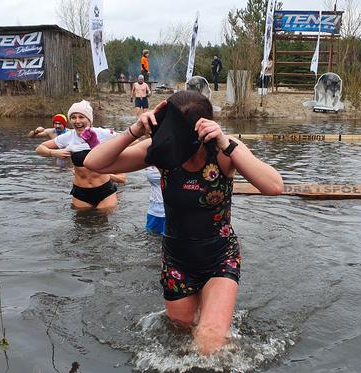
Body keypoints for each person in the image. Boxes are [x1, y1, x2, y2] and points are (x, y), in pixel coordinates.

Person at [83, 91, 283, 354]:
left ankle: (216, 323)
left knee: (209, 340)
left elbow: (275, 186)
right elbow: (94, 163)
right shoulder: (163, 152)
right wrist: (134, 131)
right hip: (177, 259)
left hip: (219, 254)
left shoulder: (223, 151)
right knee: (181, 332)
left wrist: (227, 142)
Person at [36, 100, 126, 210]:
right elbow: (40, 148)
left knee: (105, 225)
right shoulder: (68, 137)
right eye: (73, 117)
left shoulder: (102, 133)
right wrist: (53, 152)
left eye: (81, 117)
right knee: (81, 225)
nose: (77, 121)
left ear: (89, 119)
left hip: (105, 191)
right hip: (81, 192)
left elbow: (129, 138)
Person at [145, 165, 165, 235]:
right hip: (153, 211)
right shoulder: (149, 156)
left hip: (171, 211)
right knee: (150, 239)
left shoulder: (178, 157)